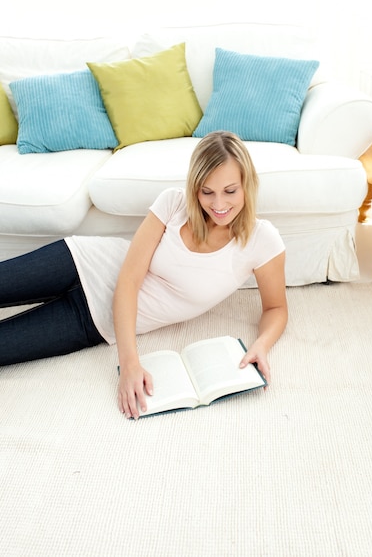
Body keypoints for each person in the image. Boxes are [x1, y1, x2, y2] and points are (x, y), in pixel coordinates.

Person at [0, 131, 288, 418]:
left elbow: (276, 308)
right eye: (207, 191)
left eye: (230, 191)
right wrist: (129, 364)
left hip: (91, 321)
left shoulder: (262, 241)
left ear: (246, 185)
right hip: (81, 261)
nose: (219, 205)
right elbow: (128, 280)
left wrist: (261, 345)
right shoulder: (174, 203)